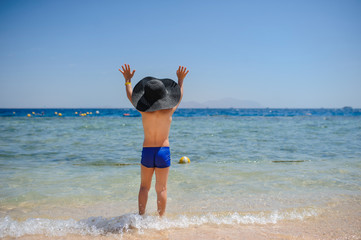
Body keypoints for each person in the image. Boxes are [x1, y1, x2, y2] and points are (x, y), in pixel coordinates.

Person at [119, 64, 189, 216]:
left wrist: (128, 80)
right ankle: (161, 221)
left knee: (144, 187)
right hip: (163, 151)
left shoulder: (143, 110)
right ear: (165, 96)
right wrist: (180, 80)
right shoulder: (170, 110)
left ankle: (141, 218)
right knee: (162, 188)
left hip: (148, 151)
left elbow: (130, 96)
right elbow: (180, 96)